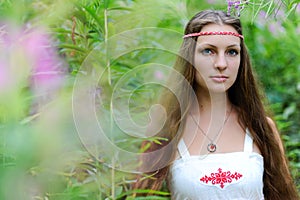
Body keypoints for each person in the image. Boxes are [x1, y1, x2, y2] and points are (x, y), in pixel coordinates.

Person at [132, 10, 299, 200]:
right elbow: (140, 194)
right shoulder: (166, 130)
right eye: (209, 51)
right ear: (189, 57)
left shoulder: (260, 127)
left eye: (232, 52)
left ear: (241, 59)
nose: (221, 63)